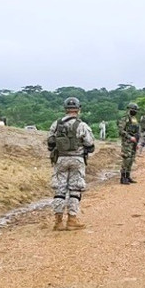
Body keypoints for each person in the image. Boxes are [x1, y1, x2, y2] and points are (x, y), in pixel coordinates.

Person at [47, 97, 95, 231]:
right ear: (78, 109)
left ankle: (58, 221)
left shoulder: (56, 124)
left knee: (59, 190)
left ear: (65, 109)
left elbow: (50, 143)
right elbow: (90, 144)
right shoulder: (82, 125)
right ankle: (72, 220)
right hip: (77, 160)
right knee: (75, 189)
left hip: (60, 159)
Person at [119, 102, 141, 184]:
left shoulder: (134, 119)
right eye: (133, 109)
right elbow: (121, 130)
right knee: (126, 159)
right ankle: (123, 177)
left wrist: (137, 142)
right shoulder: (125, 118)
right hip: (127, 142)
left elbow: (137, 130)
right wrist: (129, 137)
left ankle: (128, 176)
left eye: (136, 110)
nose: (135, 111)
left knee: (131, 159)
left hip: (134, 141)